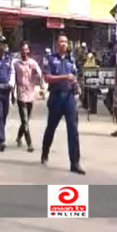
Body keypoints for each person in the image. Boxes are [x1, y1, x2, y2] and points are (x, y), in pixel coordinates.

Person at [41, 32, 85, 175]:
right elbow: (47, 78)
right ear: (56, 44)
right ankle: (45, 152)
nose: (64, 44)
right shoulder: (50, 59)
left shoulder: (71, 60)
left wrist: (75, 83)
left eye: (66, 42)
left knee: (73, 130)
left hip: (69, 98)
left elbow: (75, 76)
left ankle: (75, 163)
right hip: (56, 97)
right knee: (51, 128)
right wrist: (64, 77)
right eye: (61, 42)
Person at [12, 42, 41, 153]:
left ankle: (19, 137)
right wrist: (12, 94)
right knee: (24, 120)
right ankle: (30, 143)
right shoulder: (16, 64)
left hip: (30, 94)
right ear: (20, 51)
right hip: (20, 95)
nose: (24, 51)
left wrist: (38, 77)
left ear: (29, 50)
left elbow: (39, 73)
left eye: (26, 49)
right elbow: (13, 79)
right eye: (22, 49)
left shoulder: (32, 63)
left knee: (26, 120)